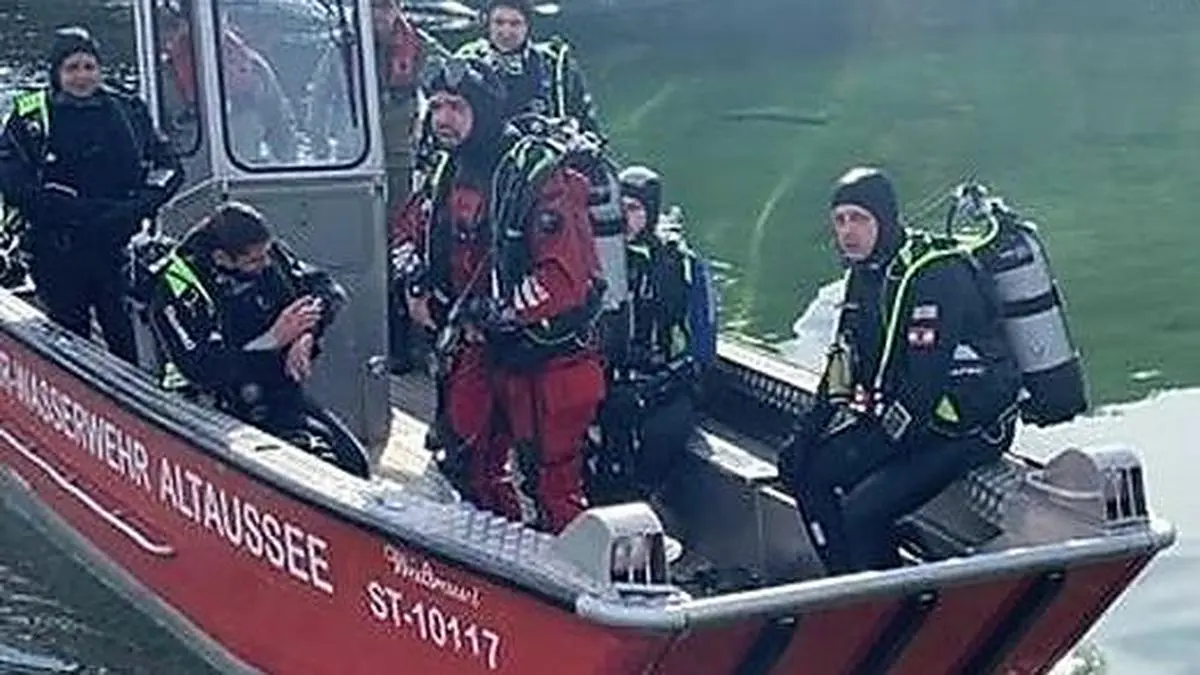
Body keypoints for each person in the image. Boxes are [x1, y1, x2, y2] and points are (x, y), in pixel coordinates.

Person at [390, 57, 606, 533]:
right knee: (464, 459)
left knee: (551, 481)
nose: (443, 118)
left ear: (482, 110)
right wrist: (415, 282)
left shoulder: (537, 179)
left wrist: (498, 312)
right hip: (475, 344)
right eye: (437, 106)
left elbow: (562, 279)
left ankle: (567, 561)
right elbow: (403, 236)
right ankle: (489, 541)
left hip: (543, 352)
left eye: (456, 107)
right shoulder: (445, 171)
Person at [780, 167, 1021, 575]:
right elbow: (842, 364)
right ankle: (846, 583)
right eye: (840, 220)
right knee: (807, 474)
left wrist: (873, 447)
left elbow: (923, 388)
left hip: (966, 428)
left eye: (859, 219)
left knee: (862, 511)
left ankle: (888, 597)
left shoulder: (935, 277)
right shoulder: (865, 275)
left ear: (885, 219)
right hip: (913, 424)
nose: (848, 231)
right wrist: (803, 438)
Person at [142, 201, 370, 478]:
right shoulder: (178, 286)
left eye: (266, 255)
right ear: (222, 258)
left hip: (272, 390)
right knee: (304, 469)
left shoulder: (265, 253)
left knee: (354, 464)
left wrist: (306, 332)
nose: (266, 264)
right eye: (254, 261)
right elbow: (201, 368)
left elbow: (327, 290)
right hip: (209, 404)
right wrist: (273, 340)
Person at [0, 26, 183, 364]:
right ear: (56, 73)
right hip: (58, 247)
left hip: (116, 244)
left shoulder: (129, 110)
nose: (82, 76)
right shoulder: (31, 118)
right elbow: (12, 181)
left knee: (125, 337)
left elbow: (169, 168)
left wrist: (137, 206)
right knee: (70, 337)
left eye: (89, 67)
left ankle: (133, 385)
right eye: (72, 68)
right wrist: (71, 210)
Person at [590, 164, 717, 503]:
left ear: (651, 212)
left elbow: (703, 347)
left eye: (634, 209)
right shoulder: (598, 258)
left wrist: (654, 388)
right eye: (619, 208)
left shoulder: (682, 265)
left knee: (662, 434)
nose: (624, 218)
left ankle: (642, 499)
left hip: (668, 382)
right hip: (609, 375)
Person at [454, 0, 603, 137]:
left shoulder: (553, 63)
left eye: (515, 24)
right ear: (488, 24)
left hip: (545, 149)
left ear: (527, 26)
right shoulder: (469, 60)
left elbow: (586, 120)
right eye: (499, 22)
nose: (506, 32)